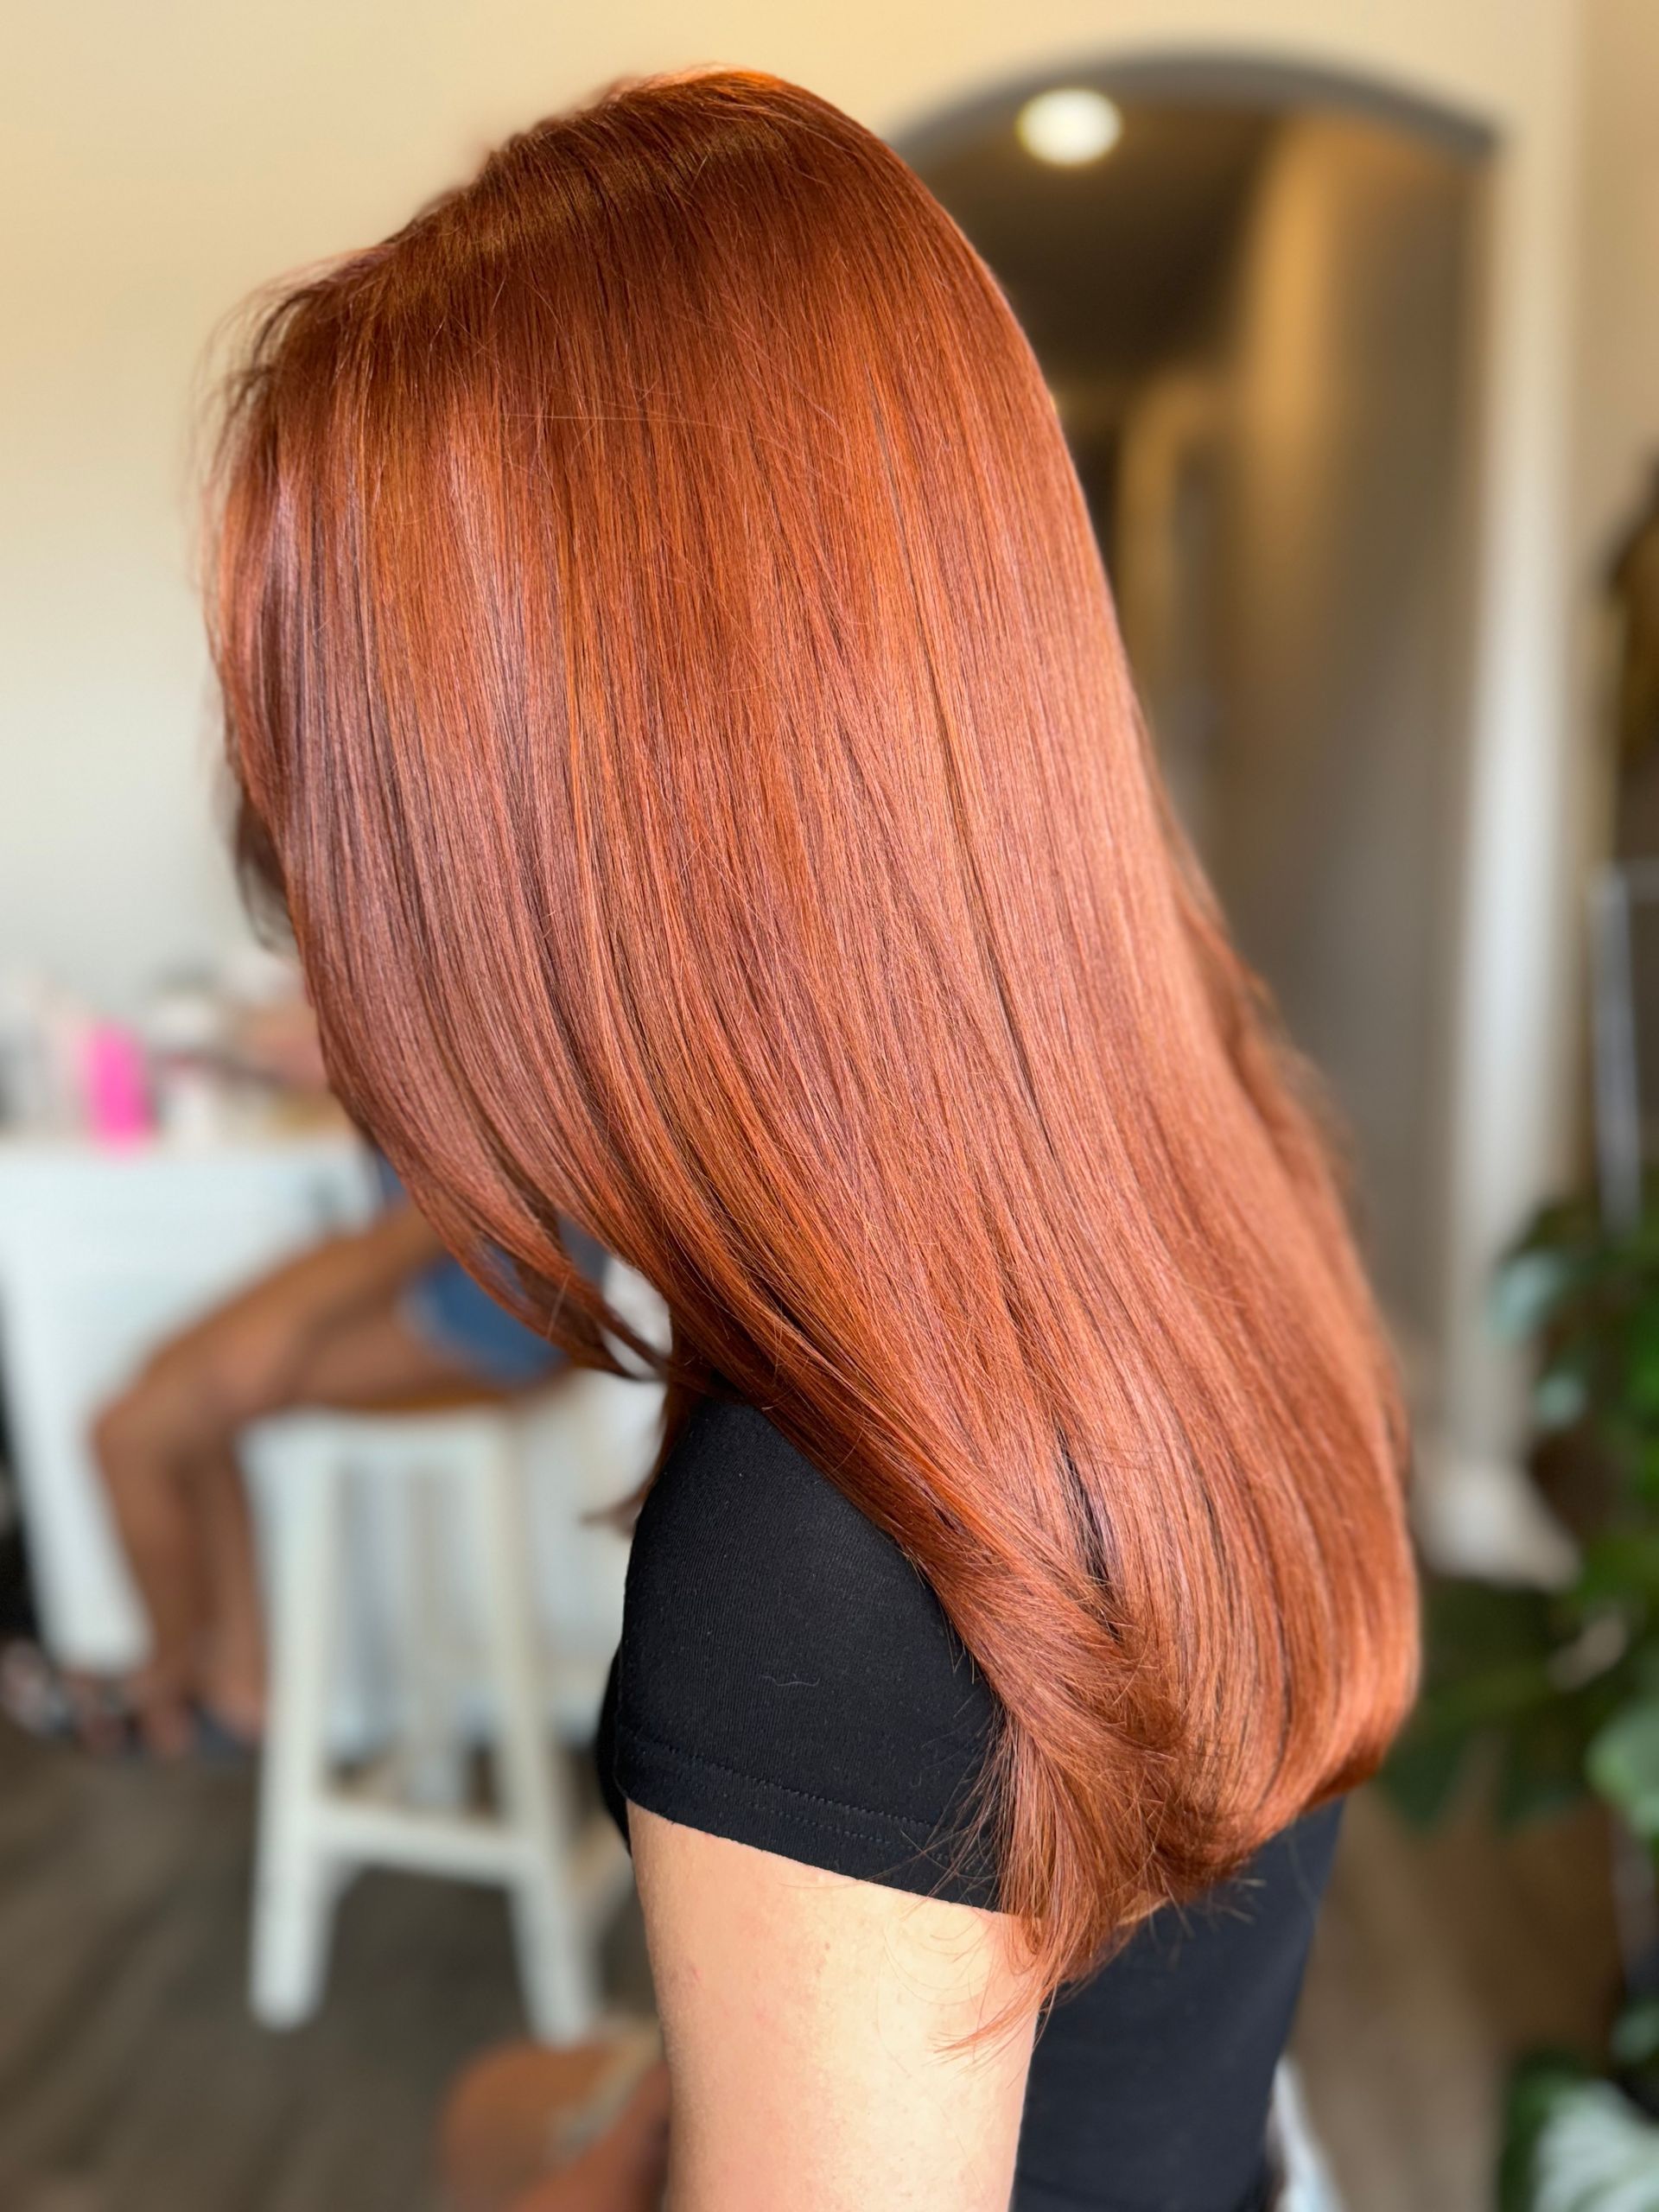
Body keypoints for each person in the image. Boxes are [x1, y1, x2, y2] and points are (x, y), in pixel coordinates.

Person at [203, 70, 1420, 2210]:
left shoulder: (829, 1560)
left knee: (487, 2121)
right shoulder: (1209, 1140)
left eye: (355, 781)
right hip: (1223, 2145)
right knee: (514, 2101)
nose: (320, 876)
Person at [90, 1162, 582, 1755]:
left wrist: (294, 1313)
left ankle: (169, 1683)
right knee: (169, 1395)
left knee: (132, 1432)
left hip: (493, 1305)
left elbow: (476, 1186)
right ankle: (231, 1687)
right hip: (470, 1278)